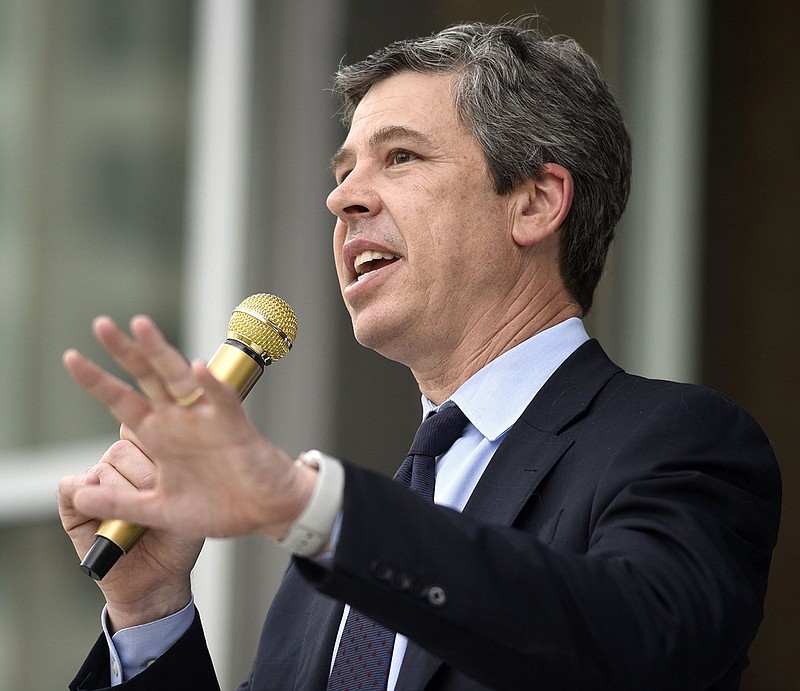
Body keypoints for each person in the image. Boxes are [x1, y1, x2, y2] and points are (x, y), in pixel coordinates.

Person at [59, 19, 780, 691]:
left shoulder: (673, 441)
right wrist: (150, 610)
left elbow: (638, 640)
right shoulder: (323, 580)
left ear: (533, 201)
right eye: (343, 172)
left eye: (399, 156)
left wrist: (304, 503)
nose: (342, 198)